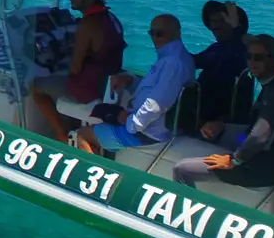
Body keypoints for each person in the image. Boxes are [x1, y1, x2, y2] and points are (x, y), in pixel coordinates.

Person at [173, 33, 274, 190]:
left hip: (263, 167)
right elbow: (253, 132)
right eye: (249, 56)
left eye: (259, 58)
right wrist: (223, 125)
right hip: (262, 153)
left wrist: (234, 160)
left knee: (182, 169)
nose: (251, 62)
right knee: (217, 135)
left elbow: (259, 137)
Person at [77, 14, 195, 156]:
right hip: (148, 126)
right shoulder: (175, 57)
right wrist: (129, 81)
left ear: (176, 32)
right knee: (101, 111)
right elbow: (155, 89)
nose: (155, 38)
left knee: (83, 134)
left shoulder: (173, 63)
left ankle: (96, 172)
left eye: (160, 34)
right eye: (152, 33)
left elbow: (157, 104)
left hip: (147, 134)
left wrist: (130, 123)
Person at [29, 0, 125, 140]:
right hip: (108, 86)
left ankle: (60, 133)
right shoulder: (112, 19)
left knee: (35, 86)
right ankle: (74, 127)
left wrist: (63, 62)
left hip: (89, 89)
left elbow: (75, 69)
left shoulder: (87, 26)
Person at [187, 0, 250, 131]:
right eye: (212, 22)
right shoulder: (217, 48)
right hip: (199, 114)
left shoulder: (243, 51)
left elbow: (242, 50)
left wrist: (236, 27)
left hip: (219, 123)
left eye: (221, 20)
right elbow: (193, 61)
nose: (214, 26)